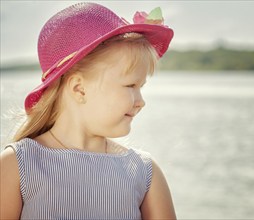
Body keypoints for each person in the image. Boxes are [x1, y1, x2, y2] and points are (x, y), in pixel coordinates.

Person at [0, 2, 175, 219]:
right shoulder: (18, 166)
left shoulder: (145, 173)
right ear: (79, 89)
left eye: (141, 87)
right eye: (130, 85)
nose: (141, 102)